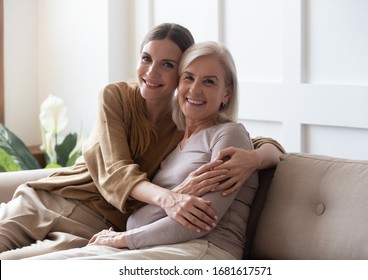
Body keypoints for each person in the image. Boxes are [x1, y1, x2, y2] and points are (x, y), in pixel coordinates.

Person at [0, 23, 283, 260]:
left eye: (167, 65)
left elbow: (247, 141)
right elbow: (117, 170)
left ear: (179, 73)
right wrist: (170, 197)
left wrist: (257, 158)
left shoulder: (187, 123)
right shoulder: (116, 97)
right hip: (54, 198)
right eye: (146, 59)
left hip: (96, 224)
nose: (151, 72)